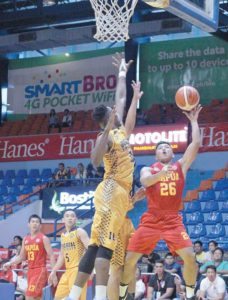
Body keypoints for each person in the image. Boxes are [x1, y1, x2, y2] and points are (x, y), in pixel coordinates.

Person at [66, 53, 143, 300]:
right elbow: (95, 160)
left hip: (119, 194)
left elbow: (122, 100)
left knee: (95, 246)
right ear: (105, 119)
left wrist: (123, 75)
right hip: (110, 189)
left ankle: (73, 295)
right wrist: (107, 127)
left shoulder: (120, 132)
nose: (115, 110)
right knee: (104, 249)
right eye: (111, 112)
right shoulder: (106, 136)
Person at [120, 105, 202, 300]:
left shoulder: (180, 166)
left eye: (167, 147)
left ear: (172, 154)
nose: (164, 149)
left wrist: (193, 121)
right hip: (151, 220)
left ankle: (190, 293)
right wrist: (161, 174)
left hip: (173, 220)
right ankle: (124, 293)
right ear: (156, 155)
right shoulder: (148, 168)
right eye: (160, 148)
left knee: (190, 258)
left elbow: (196, 144)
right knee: (130, 259)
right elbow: (145, 181)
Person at [3, 214, 55, 300]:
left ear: (40, 225)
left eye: (37, 222)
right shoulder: (25, 239)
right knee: (37, 297)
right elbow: (21, 257)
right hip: (30, 271)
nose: (35, 224)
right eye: (33, 222)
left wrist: (53, 273)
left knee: (29, 295)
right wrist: (9, 263)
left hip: (40, 270)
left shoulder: (44, 238)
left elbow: (51, 255)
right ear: (28, 224)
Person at [107, 187, 146, 300]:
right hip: (115, 226)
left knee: (132, 266)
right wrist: (134, 199)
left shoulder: (127, 183)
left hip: (128, 224)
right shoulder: (111, 184)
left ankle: (130, 297)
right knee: (116, 269)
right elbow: (115, 208)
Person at [48, 209, 90, 300]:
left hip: (78, 270)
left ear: (76, 219)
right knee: (57, 297)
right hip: (67, 272)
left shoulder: (80, 232)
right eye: (67, 216)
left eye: (72, 216)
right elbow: (61, 256)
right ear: (63, 220)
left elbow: (91, 249)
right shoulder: (63, 236)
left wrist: (91, 269)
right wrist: (53, 270)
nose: (70, 218)